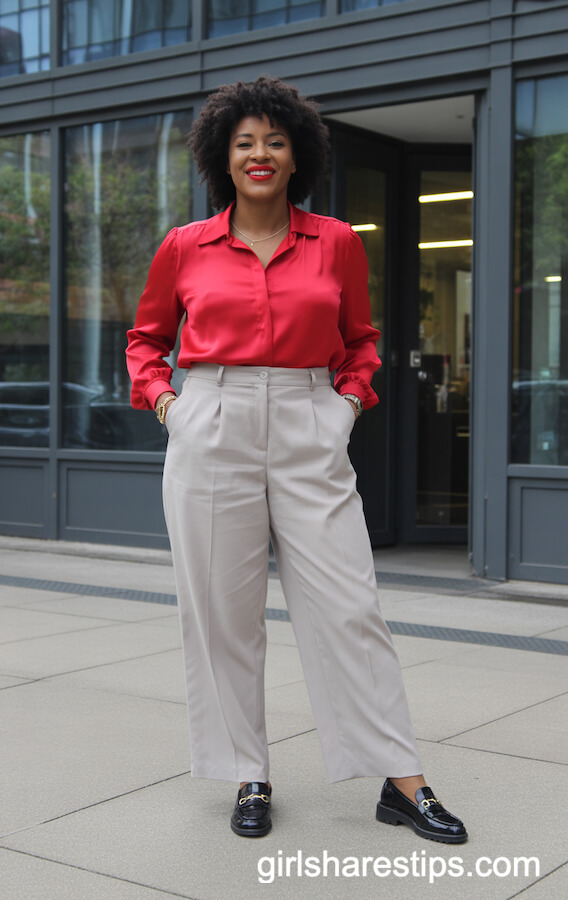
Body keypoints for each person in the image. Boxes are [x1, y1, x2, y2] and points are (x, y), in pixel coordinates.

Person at [126, 75, 467, 844]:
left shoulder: (337, 241)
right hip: (212, 418)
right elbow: (146, 340)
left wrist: (343, 407)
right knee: (222, 615)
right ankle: (248, 772)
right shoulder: (184, 246)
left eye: (275, 141)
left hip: (310, 418)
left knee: (349, 606)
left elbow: (361, 341)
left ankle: (401, 779)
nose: (260, 154)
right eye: (245, 142)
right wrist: (172, 406)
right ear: (223, 156)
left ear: (296, 155)